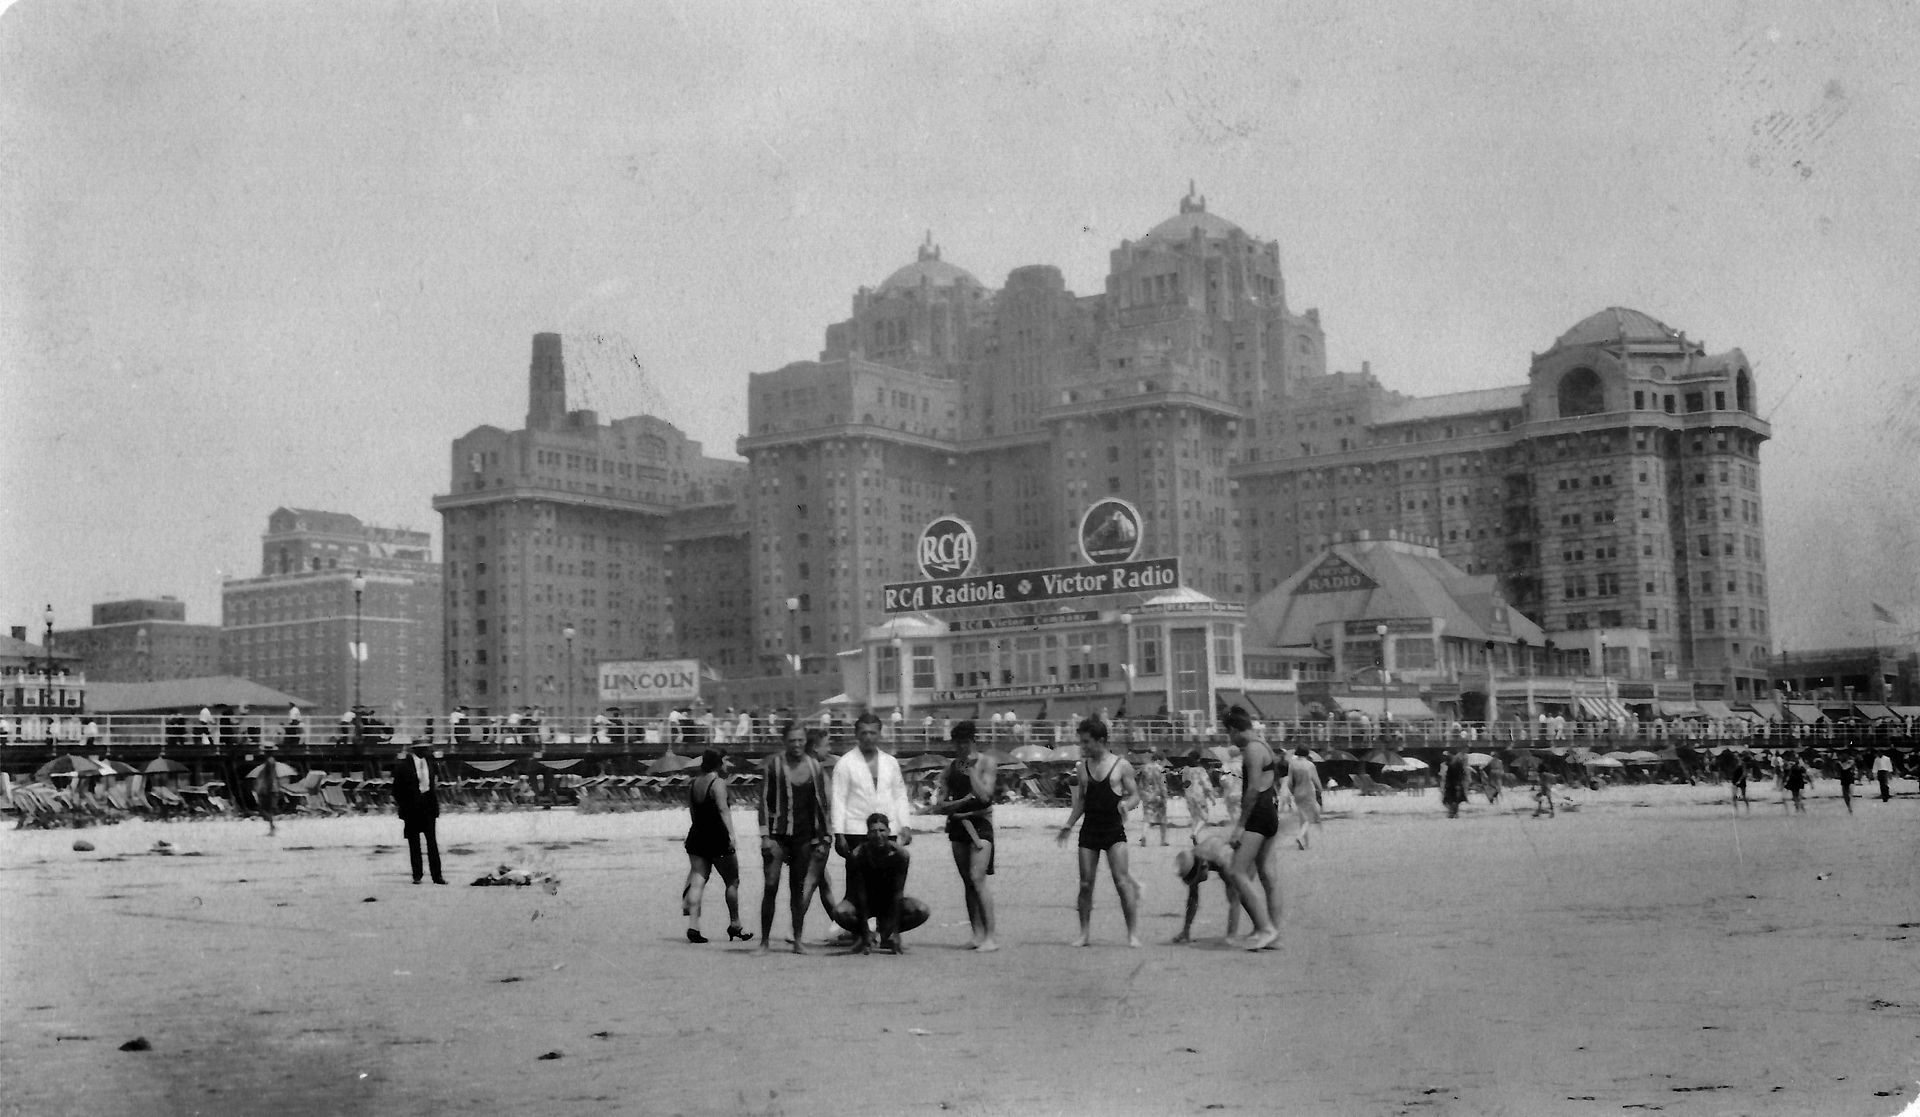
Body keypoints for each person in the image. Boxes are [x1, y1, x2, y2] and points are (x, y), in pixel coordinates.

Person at [830, 712, 916, 953]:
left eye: (873, 732)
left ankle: (886, 931)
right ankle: (860, 933)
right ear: (856, 735)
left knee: (889, 884)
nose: (868, 737)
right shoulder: (845, 763)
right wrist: (838, 833)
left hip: (886, 829)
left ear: (880, 733)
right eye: (863, 733)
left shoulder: (890, 762)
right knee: (858, 886)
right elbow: (838, 798)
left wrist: (904, 824)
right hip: (856, 828)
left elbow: (899, 794)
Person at [1055, 718, 1142, 948]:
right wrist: (1068, 824)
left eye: (1086, 742)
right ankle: (1084, 934)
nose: (1083, 747)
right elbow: (1081, 801)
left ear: (1101, 740)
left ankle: (1132, 933)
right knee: (1085, 884)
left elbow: (1135, 795)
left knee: (1122, 882)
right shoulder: (1081, 767)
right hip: (1089, 832)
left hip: (1114, 831)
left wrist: (1126, 804)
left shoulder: (1121, 765)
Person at [919, 720, 998, 951]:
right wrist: (962, 801)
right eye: (957, 743)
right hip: (957, 826)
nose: (961, 747)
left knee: (978, 878)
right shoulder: (950, 768)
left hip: (980, 823)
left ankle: (991, 936)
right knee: (967, 882)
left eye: (965, 742)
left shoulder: (986, 763)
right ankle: (977, 934)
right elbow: (939, 804)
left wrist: (972, 771)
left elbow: (985, 797)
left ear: (973, 740)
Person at [757, 721, 832, 953]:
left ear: (805, 741)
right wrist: (764, 837)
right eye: (792, 740)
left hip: (804, 836)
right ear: (784, 741)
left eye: (800, 740)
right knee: (770, 885)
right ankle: (765, 942)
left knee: (797, 889)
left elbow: (821, 804)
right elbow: (763, 803)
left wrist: (825, 837)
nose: (797, 744)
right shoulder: (774, 765)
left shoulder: (814, 766)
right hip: (778, 835)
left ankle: (798, 940)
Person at [1220, 711, 1282, 951]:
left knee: (1237, 872)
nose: (1230, 739)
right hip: (1270, 810)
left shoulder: (1253, 750)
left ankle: (1265, 928)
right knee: (1267, 874)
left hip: (1258, 814)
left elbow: (1252, 790)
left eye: (1229, 733)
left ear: (1235, 729)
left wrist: (1240, 826)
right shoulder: (1263, 745)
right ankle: (1274, 933)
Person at [829, 813, 931, 954]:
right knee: (839, 912)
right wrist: (864, 931)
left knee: (921, 910)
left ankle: (886, 933)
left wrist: (895, 931)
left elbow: (898, 893)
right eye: (873, 831)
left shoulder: (900, 855)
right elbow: (860, 894)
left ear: (889, 832)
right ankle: (865, 935)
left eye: (882, 830)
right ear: (867, 834)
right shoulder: (857, 855)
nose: (878, 835)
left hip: (888, 902)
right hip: (864, 902)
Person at [682, 749, 750, 944]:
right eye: (725, 761)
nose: (727, 765)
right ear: (719, 763)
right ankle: (735, 923)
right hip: (718, 838)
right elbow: (723, 810)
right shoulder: (717, 783)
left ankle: (693, 926)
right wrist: (731, 835)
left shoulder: (694, 783)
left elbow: (693, 812)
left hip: (697, 836)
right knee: (732, 881)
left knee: (697, 880)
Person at [1171, 825, 1247, 944]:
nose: (1198, 882)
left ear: (1204, 867)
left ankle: (1240, 933)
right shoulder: (1191, 860)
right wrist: (1186, 930)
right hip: (1223, 849)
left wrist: (1230, 937)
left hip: (1244, 846)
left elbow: (1234, 897)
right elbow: (1192, 898)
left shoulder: (1221, 858)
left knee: (1237, 892)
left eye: (1198, 879)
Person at [390, 738, 445, 885]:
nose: (427, 751)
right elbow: (396, 789)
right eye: (424, 749)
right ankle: (417, 875)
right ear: (416, 750)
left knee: (432, 843)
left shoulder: (431, 764)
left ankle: (437, 876)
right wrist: (405, 805)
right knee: (414, 844)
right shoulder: (403, 766)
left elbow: (433, 785)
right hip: (412, 808)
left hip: (428, 807)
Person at [1282, 745, 1324, 850]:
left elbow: (1290, 782)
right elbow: (1316, 780)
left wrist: (1293, 791)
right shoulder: (1310, 765)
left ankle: (1306, 843)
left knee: (1302, 818)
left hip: (1297, 792)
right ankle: (1300, 837)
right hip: (1309, 791)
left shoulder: (1292, 765)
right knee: (1309, 818)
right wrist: (1320, 790)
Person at [1137, 751, 1170, 847]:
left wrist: (1142, 794)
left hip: (1147, 795)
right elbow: (1163, 784)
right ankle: (1163, 840)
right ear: (1159, 760)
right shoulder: (1161, 769)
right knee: (1163, 820)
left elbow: (1141, 783)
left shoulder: (1144, 768)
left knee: (1147, 818)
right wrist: (1164, 795)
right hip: (1158, 796)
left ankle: (1144, 836)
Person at [254, 741, 284, 836]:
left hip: (268, 788)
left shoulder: (269, 762)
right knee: (268, 810)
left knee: (263, 809)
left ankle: (272, 826)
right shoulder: (271, 761)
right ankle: (272, 826)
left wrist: (267, 788)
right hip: (271, 788)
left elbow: (270, 777)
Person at [1442, 747, 1471, 819]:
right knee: (1454, 799)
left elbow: (1455, 774)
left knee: (1452, 799)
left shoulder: (1453, 763)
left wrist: (1456, 783)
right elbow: (1462, 772)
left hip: (1454, 783)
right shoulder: (1455, 761)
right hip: (1455, 783)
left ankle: (1453, 812)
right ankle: (1454, 812)